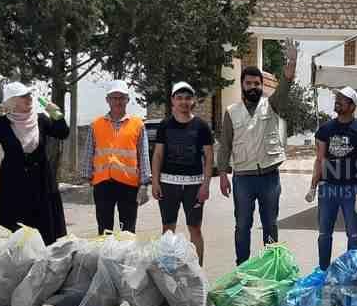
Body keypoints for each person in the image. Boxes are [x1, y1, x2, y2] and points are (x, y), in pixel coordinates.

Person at [0, 82, 70, 244]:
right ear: (13, 101)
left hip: (42, 183)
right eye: (24, 96)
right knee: (16, 233)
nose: (29, 98)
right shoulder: (1, 124)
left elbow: (63, 133)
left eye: (29, 95)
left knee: (46, 231)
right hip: (14, 184)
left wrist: (56, 113)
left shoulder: (41, 120)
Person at [218, 66, 290, 265]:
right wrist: (223, 174)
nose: (253, 87)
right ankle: (242, 268)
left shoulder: (271, 105)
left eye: (256, 83)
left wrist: (290, 68)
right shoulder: (231, 112)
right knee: (242, 226)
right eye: (248, 83)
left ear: (262, 85)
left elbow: (284, 90)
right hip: (243, 179)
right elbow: (225, 145)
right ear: (242, 84)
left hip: (269, 177)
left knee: (270, 224)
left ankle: (271, 266)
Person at [306, 86, 357, 270]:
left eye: (343, 99)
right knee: (324, 234)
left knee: (354, 235)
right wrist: (313, 186)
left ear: (352, 106)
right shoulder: (325, 129)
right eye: (337, 97)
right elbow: (320, 159)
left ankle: (352, 273)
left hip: (352, 189)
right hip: (328, 188)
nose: (338, 101)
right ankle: (323, 271)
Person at [152, 81, 214, 265]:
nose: (183, 102)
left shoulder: (201, 126)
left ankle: (198, 271)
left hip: (194, 185)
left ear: (193, 101)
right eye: (179, 98)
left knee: (194, 228)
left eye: (187, 98)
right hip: (168, 184)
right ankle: (166, 270)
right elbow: (157, 155)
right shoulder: (164, 125)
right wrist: (155, 182)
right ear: (173, 101)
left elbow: (209, 157)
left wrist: (205, 185)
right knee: (167, 228)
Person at [85, 80, 150, 235]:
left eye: (121, 98)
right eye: (114, 98)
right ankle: (105, 258)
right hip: (102, 184)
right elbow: (89, 152)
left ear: (127, 100)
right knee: (104, 229)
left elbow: (143, 154)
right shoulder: (96, 124)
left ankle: (125, 259)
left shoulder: (137, 124)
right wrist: (87, 176)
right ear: (108, 100)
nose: (118, 101)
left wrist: (144, 183)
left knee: (127, 230)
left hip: (128, 184)